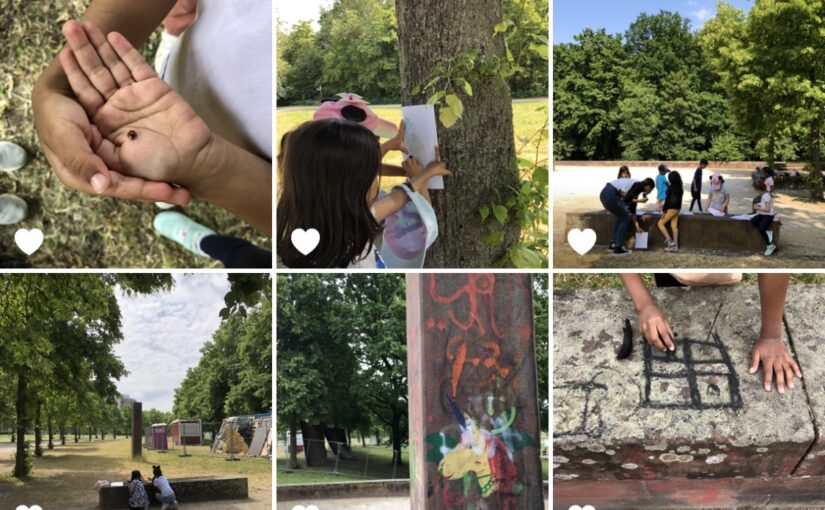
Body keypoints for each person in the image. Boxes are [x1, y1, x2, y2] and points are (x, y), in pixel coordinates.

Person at [32, 2, 271, 255]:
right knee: (170, 68)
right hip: (170, 87)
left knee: (157, 146)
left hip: (208, 144)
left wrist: (203, 164)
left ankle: (168, 180)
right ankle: (174, 40)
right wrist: (57, 87)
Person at [276, 119, 450, 268]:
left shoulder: (294, 202)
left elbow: (343, 169)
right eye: (371, 176)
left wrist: (390, 147)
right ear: (352, 186)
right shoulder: (355, 222)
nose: (375, 177)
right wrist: (424, 175)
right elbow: (398, 199)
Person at [620, 273, 801, 394]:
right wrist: (644, 304)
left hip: (728, 273)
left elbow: (772, 267)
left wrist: (771, 336)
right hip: (675, 275)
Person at [598, 170, 639, 255]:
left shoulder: (628, 181)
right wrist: (639, 201)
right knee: (626, 217)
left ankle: (613, 244)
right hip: (610, 194)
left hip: (604, 193)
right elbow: (625, 196)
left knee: (621, 216)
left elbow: (624, 198)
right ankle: (619, 247)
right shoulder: (634, 184)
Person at [657, 170, 683, 251]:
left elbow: (668, 201)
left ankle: (670, 241)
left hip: (671, 209)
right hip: (677, 209)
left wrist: (664, 211)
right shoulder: (680, 188)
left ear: (670, 180)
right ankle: (676, 246)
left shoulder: (670, 188)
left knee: (660, 223)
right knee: (674, 227)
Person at [751, 181, 777, 256]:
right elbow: (764, 205)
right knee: (753, 221)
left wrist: (757, 208)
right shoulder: (764, 195)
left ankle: (770, 246)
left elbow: (768, 209)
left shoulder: (766, 196)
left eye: (756, 190)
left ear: (759, 189)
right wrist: (758, 204)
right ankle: (767, 231)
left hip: (768, 215)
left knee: (761, 228)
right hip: (763, 214)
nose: (756, 192)